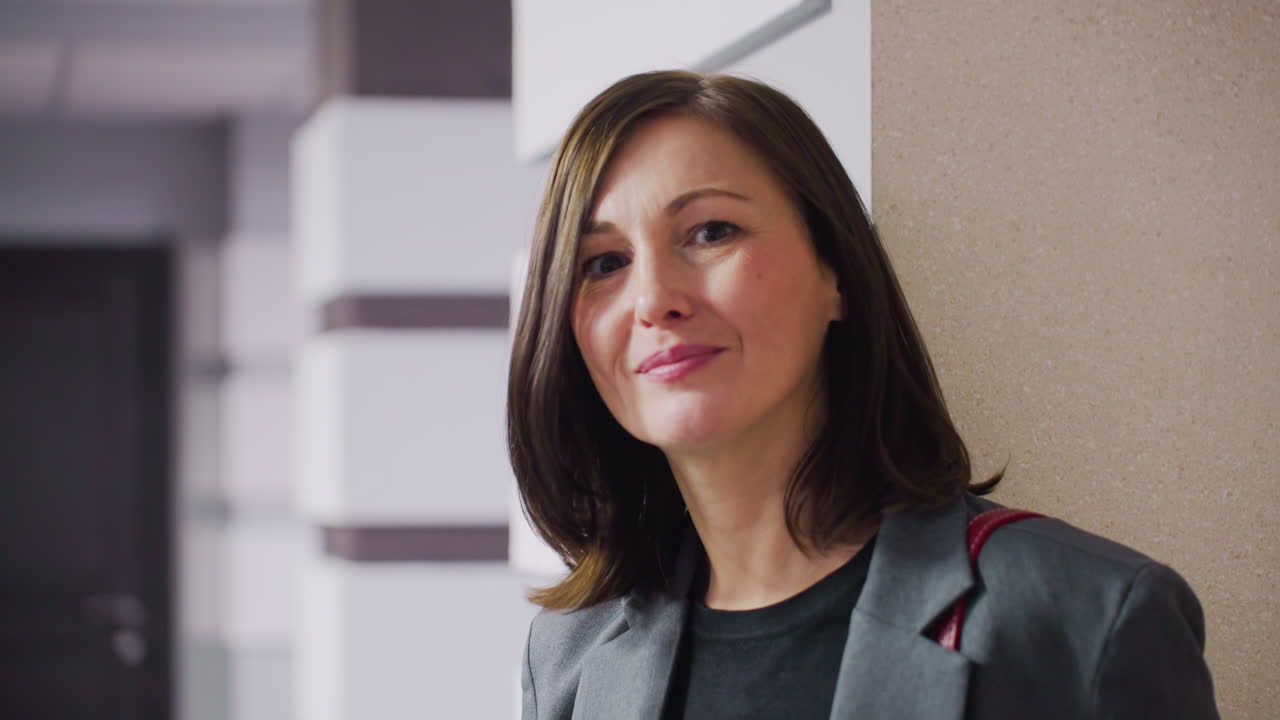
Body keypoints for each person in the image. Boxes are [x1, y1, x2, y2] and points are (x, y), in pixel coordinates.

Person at [507, 70, 1218, 719]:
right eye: (604, 263)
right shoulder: (566, 657)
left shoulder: (1091, 620)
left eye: (711, 231)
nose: (654, 299)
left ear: (835, 272)